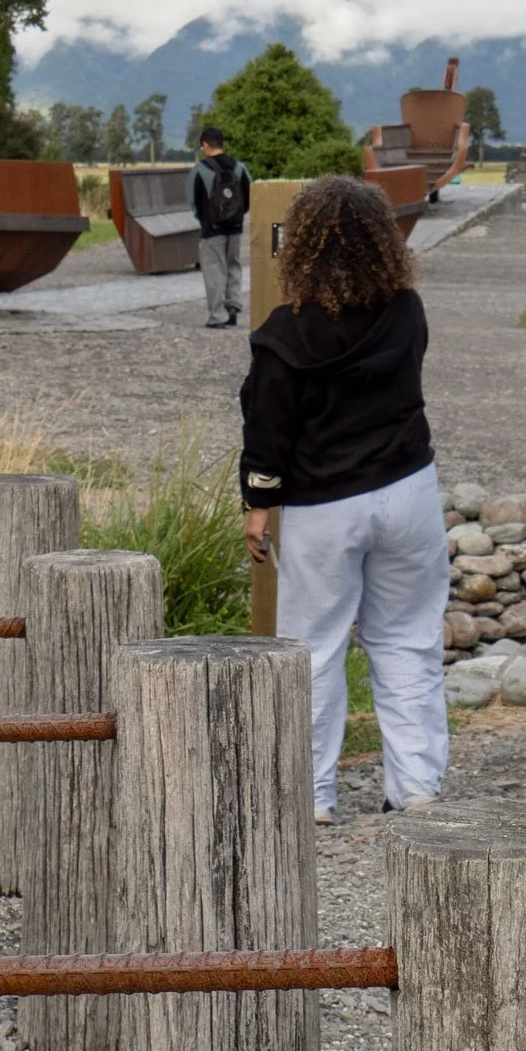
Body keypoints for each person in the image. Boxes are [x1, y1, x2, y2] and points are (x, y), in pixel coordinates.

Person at [238, 174, 449, 826]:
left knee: (314, 651)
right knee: (408, 642)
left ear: (301, 245)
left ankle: (313, 799)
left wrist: (257, 502)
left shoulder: (285, 336)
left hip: (325, 506)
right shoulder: (406, 311)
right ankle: (416, 792)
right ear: (383, 241)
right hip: (409, 491)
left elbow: (268, 432)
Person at [192, 125, 251, 328]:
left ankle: (218, 315)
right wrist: (237, 216)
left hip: (212, 228)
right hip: (235, 226)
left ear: (206, 145)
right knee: (234, 265)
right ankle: (232, 309)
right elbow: (249, 195)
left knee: (214, 269)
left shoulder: (200, 169)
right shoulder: (239, 167)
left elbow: (193, 200)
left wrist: (204, 220)